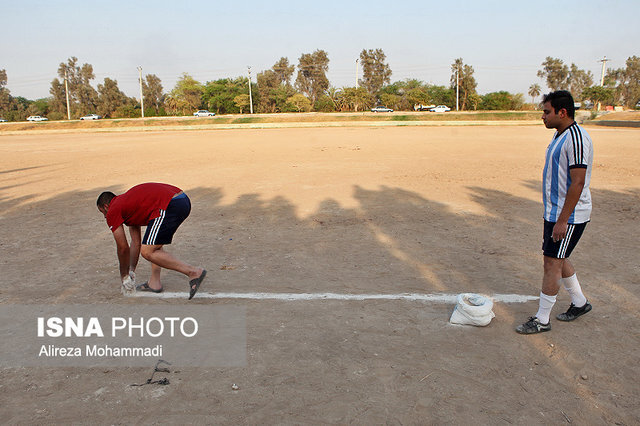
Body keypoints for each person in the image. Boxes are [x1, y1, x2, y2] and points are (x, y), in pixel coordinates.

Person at [516, 90, 593, 334]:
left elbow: (577, 182)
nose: (543, 116)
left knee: (552, 263)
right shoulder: (560, 135)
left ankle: (542, 320)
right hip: (555, 213)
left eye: (547, 112)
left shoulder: (576, 138)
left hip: (568, 215)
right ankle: (580, 303)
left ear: (562, 112)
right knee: (557, 257)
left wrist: (562, 221)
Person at [97, 183, 206, 300]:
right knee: (153, 244)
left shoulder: (114, 209)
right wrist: (131, 271)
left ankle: (193, 272)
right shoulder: (127, 205)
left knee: (147, 251)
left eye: (103, 212)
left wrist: (124, 276)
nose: (105, 217)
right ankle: (155, 283)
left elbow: (123, 248)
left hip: (171, 204)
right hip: (180, 199)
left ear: (106, 206)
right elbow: (135, 242)